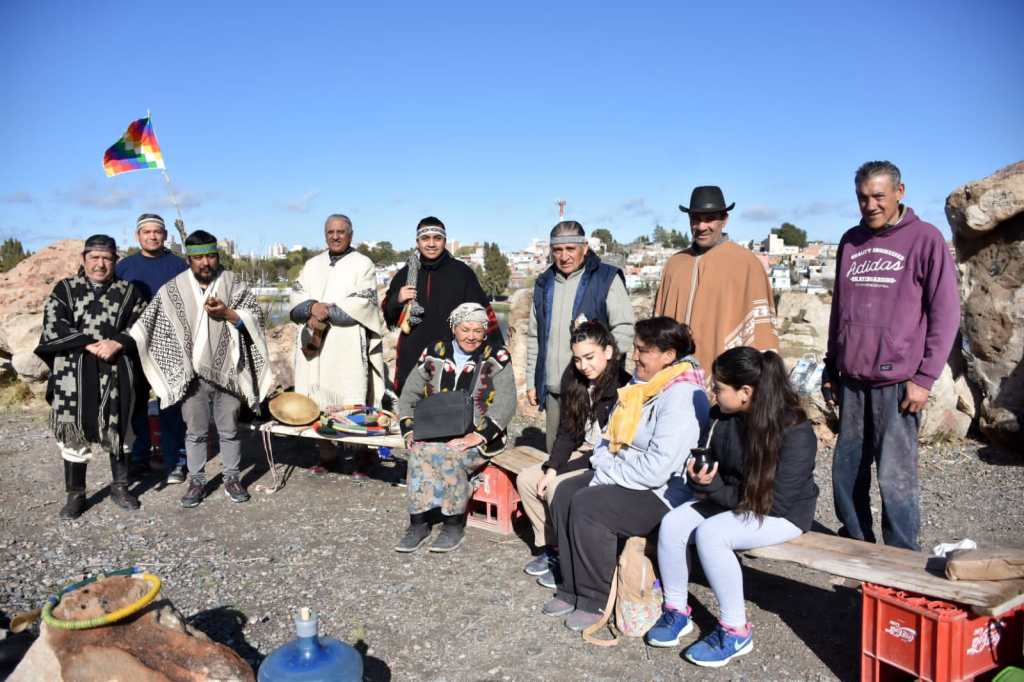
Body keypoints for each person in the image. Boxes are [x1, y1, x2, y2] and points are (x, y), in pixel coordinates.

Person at [645, 347, 818, 668]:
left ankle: (735, 631)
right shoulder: (721, 416)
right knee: (673, 523)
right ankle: (676, 610)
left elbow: (776, 503)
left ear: (745, 392)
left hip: (782, 514)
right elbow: (715, 467)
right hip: (732, 499)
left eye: (719, 388)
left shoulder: (794, 430)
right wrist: (699, 477)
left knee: (712, 534)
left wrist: (712, 489)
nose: (713, 393)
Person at [823, 161, 960, 551]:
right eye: (863, 197)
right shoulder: (851, 241)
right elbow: (840, 310)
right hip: (852, 380)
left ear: (900, 192)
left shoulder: (925, 239)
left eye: (879, 196)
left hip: (898, 383)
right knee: (847, 472)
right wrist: (831, 365)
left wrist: (924, 378)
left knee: (895, 478)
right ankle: (857, 546)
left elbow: (946, 314)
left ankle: (901, 559)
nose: (870, 205)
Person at [543, 317, 709, 632]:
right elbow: (609, 438)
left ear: (668, 355)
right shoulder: (640, 386)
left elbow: (657, 470)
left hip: (662, 493)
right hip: (625, 473)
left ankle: (594, 597)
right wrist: (605, 464)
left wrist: (605, 470)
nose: (634, 356)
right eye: (635, 348)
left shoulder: (682, 396)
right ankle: (571, 587)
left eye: (643, 350)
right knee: (564, 493)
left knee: (589, 505)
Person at [131, 230, 274, 508]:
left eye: (210, 256)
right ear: (189, 259)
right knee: (195, 431)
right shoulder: (174, 288)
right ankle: (196, 481)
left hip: (228, 371)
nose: (205, 263)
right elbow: (152, 323)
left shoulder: (232, 283)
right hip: (192, 375)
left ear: (217, 256)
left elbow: (255, 319)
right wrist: (130, 340)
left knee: (229, 429)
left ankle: (232, 478)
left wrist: (228, 314)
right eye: (198, 258)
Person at [35, 235, 147, 519]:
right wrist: (87, 343)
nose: (100, 264)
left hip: (115, 368)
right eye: (94, 258)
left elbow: (143, 325)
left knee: (120, 430)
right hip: (72, 371)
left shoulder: (129, 292)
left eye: (107, 258)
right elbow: (53, 324)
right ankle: (76, 495)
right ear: (83, 259)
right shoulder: (65, 289)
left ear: (115, 261)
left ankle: (120, 488)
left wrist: (117, 342)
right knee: (73, 432)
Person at [394, 303, 516, 554]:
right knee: (418, 452)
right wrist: (409, 429)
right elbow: (409, 394)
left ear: (485, 331)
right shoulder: (434, 352)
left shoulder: (497, 355)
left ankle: (453, 523)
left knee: (451, 454)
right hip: (436, 430)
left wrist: (478, 436)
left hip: (482, 435)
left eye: (478, 330)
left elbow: (506, 401)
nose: (471, 336)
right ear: (454, 328)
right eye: (465, 329)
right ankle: (418, 522)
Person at [517, 320, 631, 588]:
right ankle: (552, 548)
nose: (583, 365)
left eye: (589, 357)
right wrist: (553, 467)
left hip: (606, 456)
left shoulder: (623, 387)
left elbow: (612, 447)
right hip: (581, 448)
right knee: (528, 480)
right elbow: (567, 430)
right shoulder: (574, 378)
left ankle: (569, 556)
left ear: (608, 351)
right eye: (578, 359)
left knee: (556, 487)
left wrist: (558, 473)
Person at [290, 214, 387, 475]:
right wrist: (312, 307)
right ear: (325, 235)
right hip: (315, 345)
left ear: (351, 235)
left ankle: (362, 456)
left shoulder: (363, 264)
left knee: (353, 398)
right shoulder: (312, 264)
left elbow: (362, 305)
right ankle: (327, 455)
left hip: (346, 347)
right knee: (317, 398)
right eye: (330, 232)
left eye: (341, 232)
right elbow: (295, 299)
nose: (335, 236)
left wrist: (324, 312)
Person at [526, 221, 634, 452]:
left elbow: (624, 329)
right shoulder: (544, 284)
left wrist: (600, 368)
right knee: (555, 455)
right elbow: (535, 337)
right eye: (558, 250)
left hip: (592, 390)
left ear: (584, 248)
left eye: (570, 249)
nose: (564, 256)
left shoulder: (606, 279)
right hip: (554, 389)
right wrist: (532, 380)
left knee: (591, 458)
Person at [653, 186, 778, 383]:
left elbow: (761, 332)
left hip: (726, 384)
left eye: (709, 219)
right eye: (696, 219)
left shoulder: (746, 264)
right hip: (671, 383)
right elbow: (656, 327)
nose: (702, 226)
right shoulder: (674, 265)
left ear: (724, 219)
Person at [381, 216, 502, 394]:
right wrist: (397, 299)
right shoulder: (405, 274)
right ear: (417, 242)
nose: (431, 244)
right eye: (425, 238)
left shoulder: (461, 273)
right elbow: (389, 317)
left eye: (437, 238)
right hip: (412, 359)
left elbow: (483, 316)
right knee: (411, 408)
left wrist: (497, 355)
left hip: (453, 359)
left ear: (445, 241)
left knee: (448, 408)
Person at [115, 213, 189, 484]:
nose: (152, 236)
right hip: (133, 345)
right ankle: (139, 458)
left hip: (169, 345)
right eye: (146, 232)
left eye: (157, 232)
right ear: (138, 236)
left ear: (165, 235)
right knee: (136, 406)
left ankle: (175, 462)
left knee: (170, 404)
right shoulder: (124, 267)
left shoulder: (179, 266)